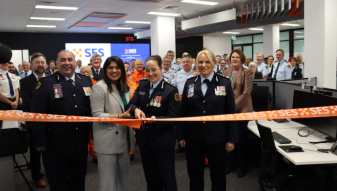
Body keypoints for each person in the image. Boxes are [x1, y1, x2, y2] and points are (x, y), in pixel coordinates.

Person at [31, 50, 92, 191]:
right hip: (55, 146)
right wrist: (40, 143)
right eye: (63, 60)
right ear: (56, 63)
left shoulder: (85, 81)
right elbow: (36, 115)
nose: (67, 63)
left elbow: (89, 109)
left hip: (80, 143)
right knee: (59, 183)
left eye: (70, 59)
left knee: (79, 180)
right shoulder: (45, 83)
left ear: (75, 62)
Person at [178, 49, 237, 191]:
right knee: (195, 175)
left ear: (214, 63)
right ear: (196, 64)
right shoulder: (190, 83)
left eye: (207, 62)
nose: (203, 65)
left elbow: (231, 113)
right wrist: (181, 135)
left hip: (217, 138)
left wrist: (231, 139)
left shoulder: (224, 82)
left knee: (218, 176)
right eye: (200, 62)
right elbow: (183, 112)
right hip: (194, 138)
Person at [128, 55, 180, 191]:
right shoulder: (143, 85)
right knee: (151, 178)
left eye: (154, 69)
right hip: (145, 141)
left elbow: (173, 117)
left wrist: (156, 120)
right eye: (148, 70)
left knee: (167, 178)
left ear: (161, 68)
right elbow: (131, 104)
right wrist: (136, 109)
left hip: (163, 141)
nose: (150, 73)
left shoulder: (170, 90)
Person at [90, 56, 134, 191]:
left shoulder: (124, 87)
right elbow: (97, 115)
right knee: (108, 183)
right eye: (110, 68)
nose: (114, 71)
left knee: (123, 181)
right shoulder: (99, 87)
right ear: (105, 70)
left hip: (124, 139)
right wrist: (119, 116)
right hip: (107, 142)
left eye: (117, 67)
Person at [20, 52, 48, 188]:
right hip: (34, 122)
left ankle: (51, 172)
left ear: (46, 64)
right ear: (31, 65)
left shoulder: (53, 79)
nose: (40, 65)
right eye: (37, 62)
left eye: (43, 62)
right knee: (36, 152)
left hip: (51, 122)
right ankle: (37, 176)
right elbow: (27, 103)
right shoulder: (24, 82)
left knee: (51, 151)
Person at [228, 49, 254, 177]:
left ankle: (242, 166)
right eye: (233, 57)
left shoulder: (247, 72)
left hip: (243, 109)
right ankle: (231, 164)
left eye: (237, 57)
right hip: (230, 109)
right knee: (230, 137)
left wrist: (232, 106)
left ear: (241, 59)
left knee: (240, 138)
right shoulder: (227, 71)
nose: (234, 59)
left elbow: (246, 92)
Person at [0, 43, 20, 127]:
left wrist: (16, 102)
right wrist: (10, 103)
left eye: (8, 62)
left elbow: (16, 90)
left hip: (14, 103)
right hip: (3, 104)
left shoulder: (13, 76)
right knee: (3, 126)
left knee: (13, 126)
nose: (7, 64)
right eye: (5, 62)